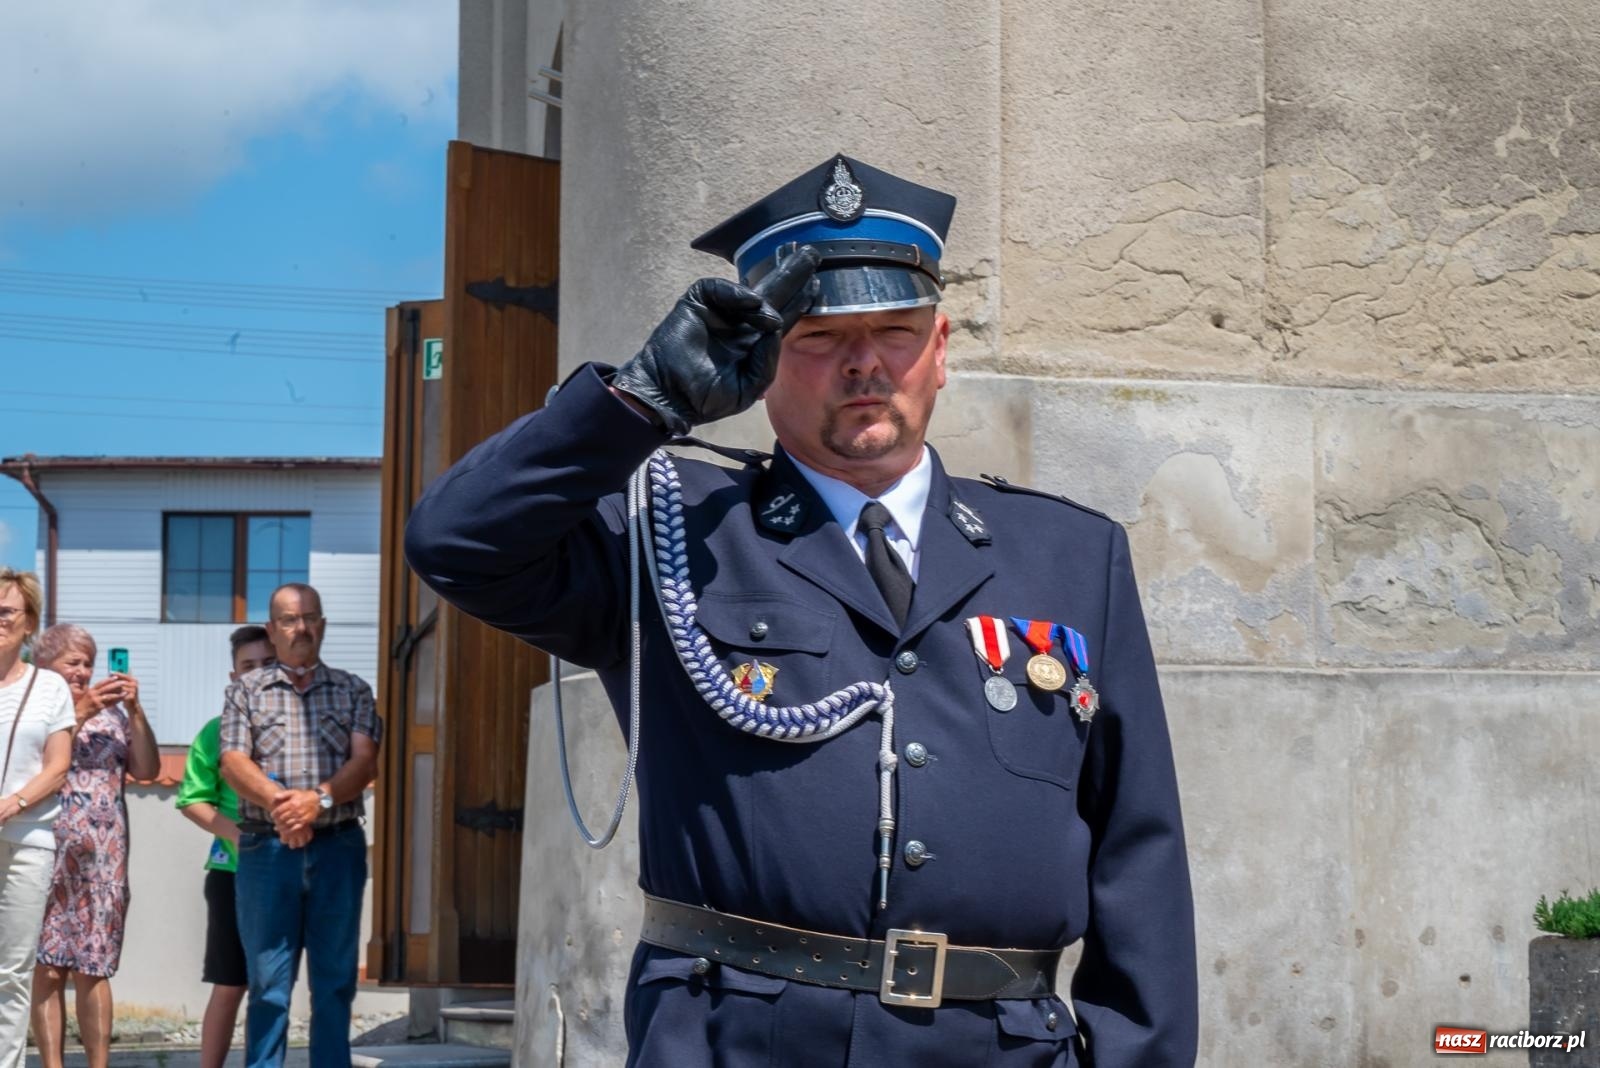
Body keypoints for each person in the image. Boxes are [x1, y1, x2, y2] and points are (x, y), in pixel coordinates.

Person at [404, 155, 1198, 1066]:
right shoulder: (674, 528)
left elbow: (1139, 852)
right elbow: (455, 542)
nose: (865, 364)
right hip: (736, 1036)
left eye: (895, 332)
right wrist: (640, 401)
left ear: (940, 350)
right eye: (819, 337)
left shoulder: (1068, 554)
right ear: (759, 361)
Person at [219, 583, 381, 1068]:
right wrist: (283, 806)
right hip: (266, 855)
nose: (301, 628)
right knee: (268, 986)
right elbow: (232, 761)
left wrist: (319, 799)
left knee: (334, 984)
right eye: (289, 620)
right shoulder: (244, 691)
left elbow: (365, 761)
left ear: (323, 625)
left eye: (310, 617)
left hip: (338, 849)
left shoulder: (354, 688)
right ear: (272, 630)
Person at [30, 623, 160, 1068]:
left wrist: (135, 709)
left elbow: (146, 769)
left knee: (94, 965)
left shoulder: (114, 715)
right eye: (73, 662)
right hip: (48, 852)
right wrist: (78, 711)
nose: (84, 671)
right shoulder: (35, 708)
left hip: (104, 861)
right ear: (45, 665)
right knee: (48, 968)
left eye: (89, 662)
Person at [175, 624, 275, 1068]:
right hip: (232, 874)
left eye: (267, 664)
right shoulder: (216, 732)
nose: (257, 673)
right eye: (247, 666)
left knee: (271, 983)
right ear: (233, 678)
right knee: (231, 983)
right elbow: (192, 800)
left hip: (290, 869)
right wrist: (239, 836)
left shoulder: (303, 725)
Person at [0, 570, 74, 1068]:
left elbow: (59, 766)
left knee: (12, 970)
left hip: (28, 838)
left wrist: (13, 803)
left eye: (7, 611)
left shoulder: (50, 687)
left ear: (29, 624)